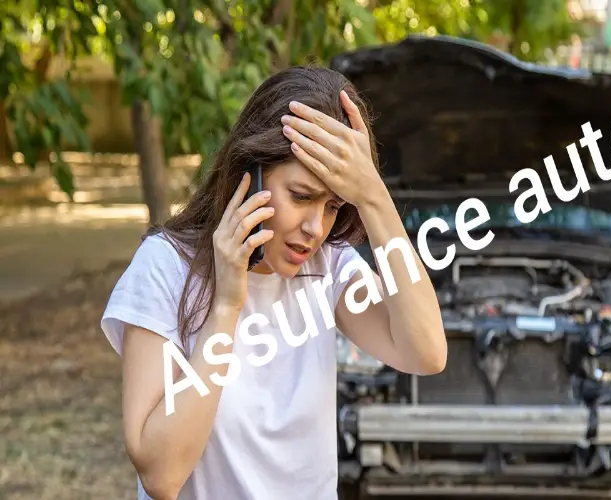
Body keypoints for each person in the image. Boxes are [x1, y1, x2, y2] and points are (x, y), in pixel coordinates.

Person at [99, 66, 448, 500]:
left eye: (334, 206)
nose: (314, 227)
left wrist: (373, 197)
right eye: (300, 196)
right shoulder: (166, 268)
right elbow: (161, 474)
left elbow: (427, 352)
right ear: (250, 175)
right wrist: (226, 307)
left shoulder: (329, 267)